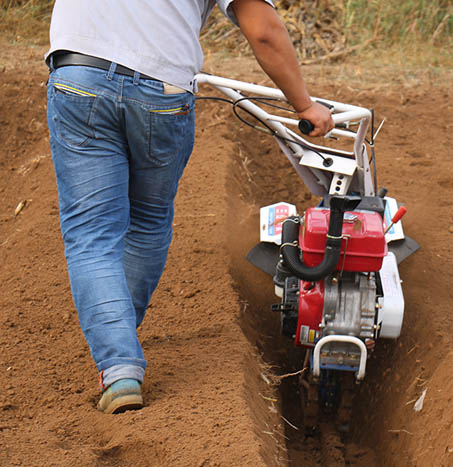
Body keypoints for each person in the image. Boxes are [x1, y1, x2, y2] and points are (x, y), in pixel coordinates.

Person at [45, 0, 334, 414]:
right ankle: (118, 342)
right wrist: (303, 105)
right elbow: (264, 30)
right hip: (161, 91)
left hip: (80, 76)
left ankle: (119, 361)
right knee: (146, 223)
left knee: (93, 235)